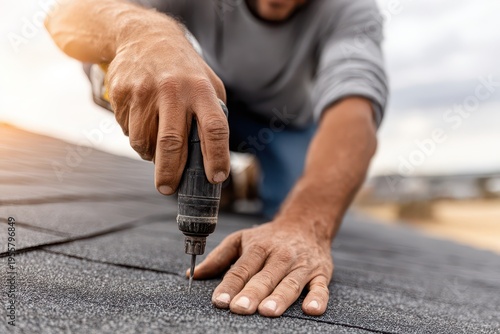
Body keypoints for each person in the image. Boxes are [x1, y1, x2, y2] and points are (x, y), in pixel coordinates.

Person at [45, 0, 388, 317]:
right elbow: (65, 14)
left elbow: (354, 109)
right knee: (117, 65)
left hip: (286, 127)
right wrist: (144, 33)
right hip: (209, 99)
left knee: (298, 198)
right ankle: (220, 171)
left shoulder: (350, 10)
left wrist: (306, 225)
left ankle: (252, 178)